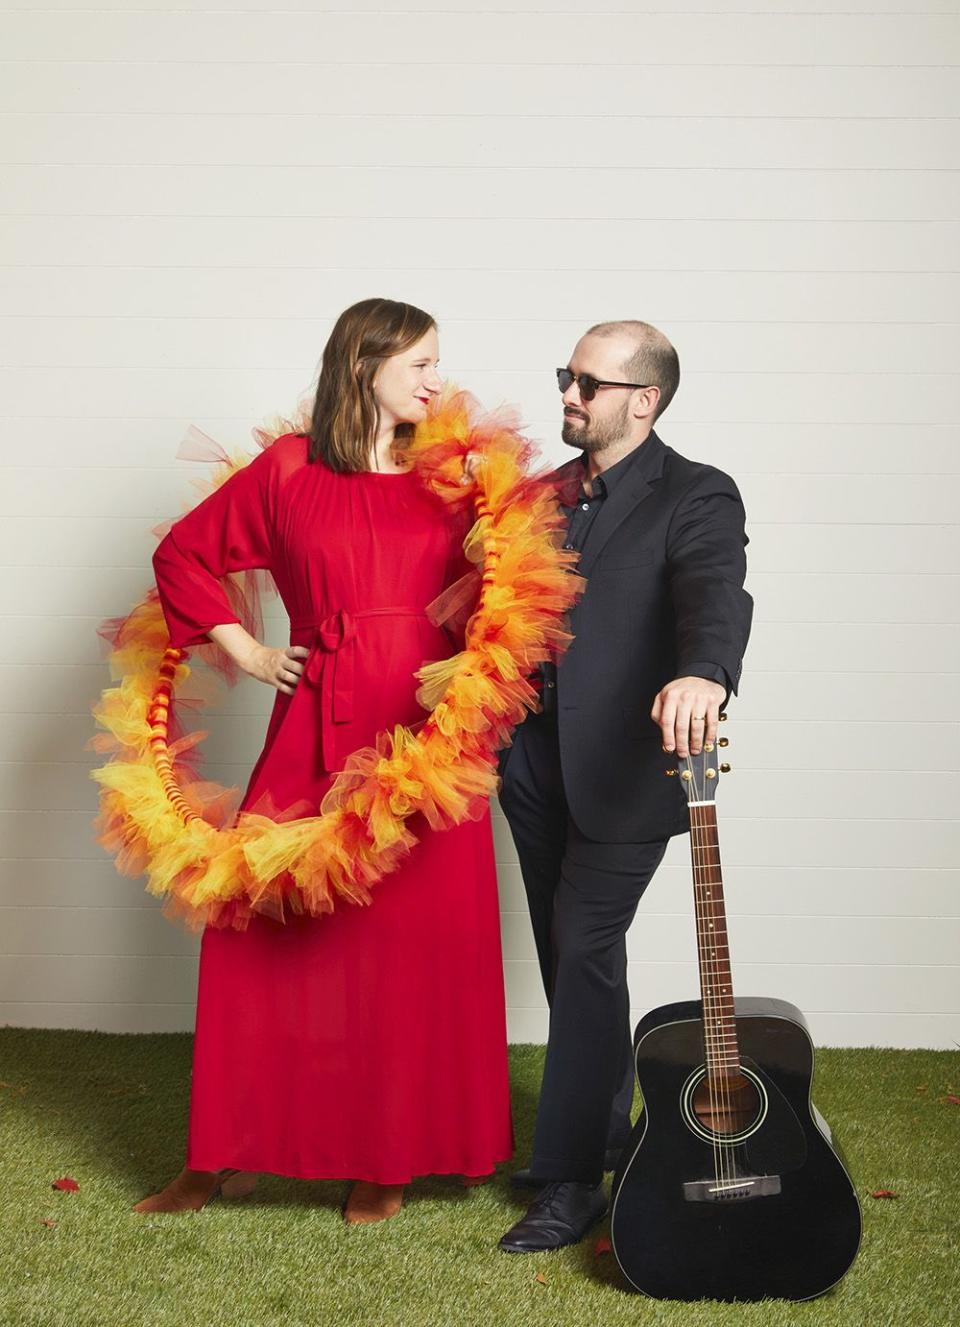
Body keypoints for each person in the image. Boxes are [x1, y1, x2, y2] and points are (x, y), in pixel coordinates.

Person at [133, 298, 513, 1223]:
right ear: (363, 367)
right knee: (255, 934)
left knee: (406, 947)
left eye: (438, 362)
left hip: (426, 737)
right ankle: (223, 1153)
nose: (437, 379)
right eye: (419, 362)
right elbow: (183, 554)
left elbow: (514, 596)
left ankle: (385, 1155)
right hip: (317, 718)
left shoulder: (460, 475)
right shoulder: (288, 468)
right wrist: (253, 652)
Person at [496, 320, 753, 1253]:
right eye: (566, 374)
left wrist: (706, 674)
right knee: (572, 963)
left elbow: (716, 592)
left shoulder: (697, 494)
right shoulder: (535, 498)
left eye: (589, 382)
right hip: (531, 767)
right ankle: (608, 1133)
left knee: (583, 944)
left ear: (642, 400)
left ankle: (569, 1180)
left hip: (625, 772)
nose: (569, 392)